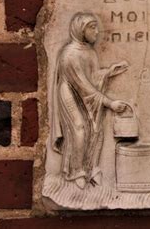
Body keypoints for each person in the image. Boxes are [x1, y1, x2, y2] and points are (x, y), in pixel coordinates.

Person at [51, 12, 129, 189]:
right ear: (80, 30)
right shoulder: (69, 54)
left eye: (96, 26)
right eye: (92, 27)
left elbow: (93, 78)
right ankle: (76, 171)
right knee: (79, 128)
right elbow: (83, 85)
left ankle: (92, 167)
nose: (97, 31)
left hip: (87, 91)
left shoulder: (90, 52)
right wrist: (110, 103)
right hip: (70, 92)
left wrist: (109, 71)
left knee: (96, 128)